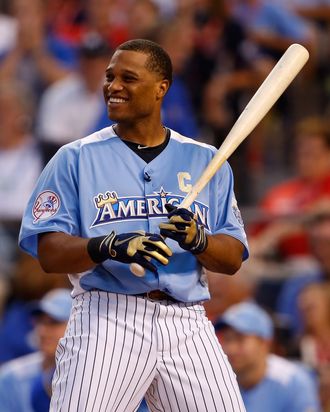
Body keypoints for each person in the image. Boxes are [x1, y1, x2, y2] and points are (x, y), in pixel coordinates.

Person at [19, 38, 249, 412]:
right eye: (110, 77)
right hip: (108, 316)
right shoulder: (74, 158)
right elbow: (48, 253)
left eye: (129, 78)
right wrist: (106, 246)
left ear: (162, 88)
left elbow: (233, 258)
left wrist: (199, 240)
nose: (114, 86)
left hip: (186, 320)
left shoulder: (207, 161)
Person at [214, 300, 321, 412]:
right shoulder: (218, 382)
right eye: (227, 339)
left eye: (240, 339)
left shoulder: (292, 381)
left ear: (264, 343)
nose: (231, 349)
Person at [0, 288, 72, 412]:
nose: (42, 331)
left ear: (76, 326)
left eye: (53, 323)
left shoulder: (92, 377)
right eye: (40, 322)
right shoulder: (11, 377)